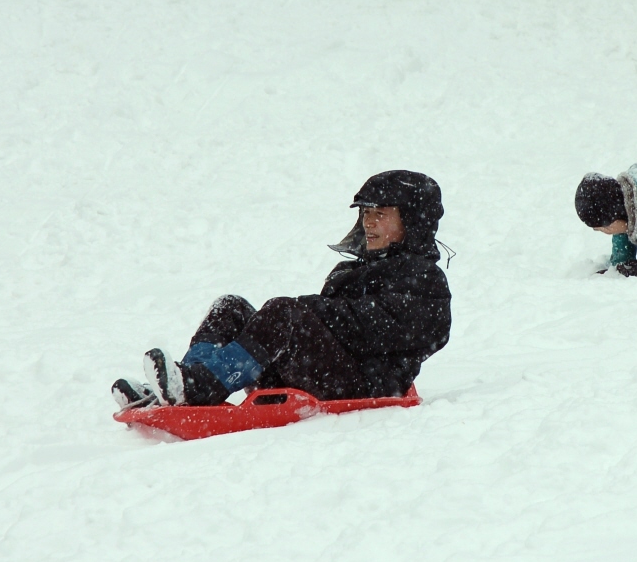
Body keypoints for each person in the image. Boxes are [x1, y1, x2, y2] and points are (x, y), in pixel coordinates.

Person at [112, 170, 451, 408]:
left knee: (285, 313)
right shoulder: (356, 270)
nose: (369, 223)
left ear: (412, 222)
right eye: (366, 214)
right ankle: (188, 380)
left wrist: (310, 313)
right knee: (230, 307)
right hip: (326, 375)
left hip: (362, 386)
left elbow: (375, 328)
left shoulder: (423, 279)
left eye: (381, 214)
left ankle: (199, 387)